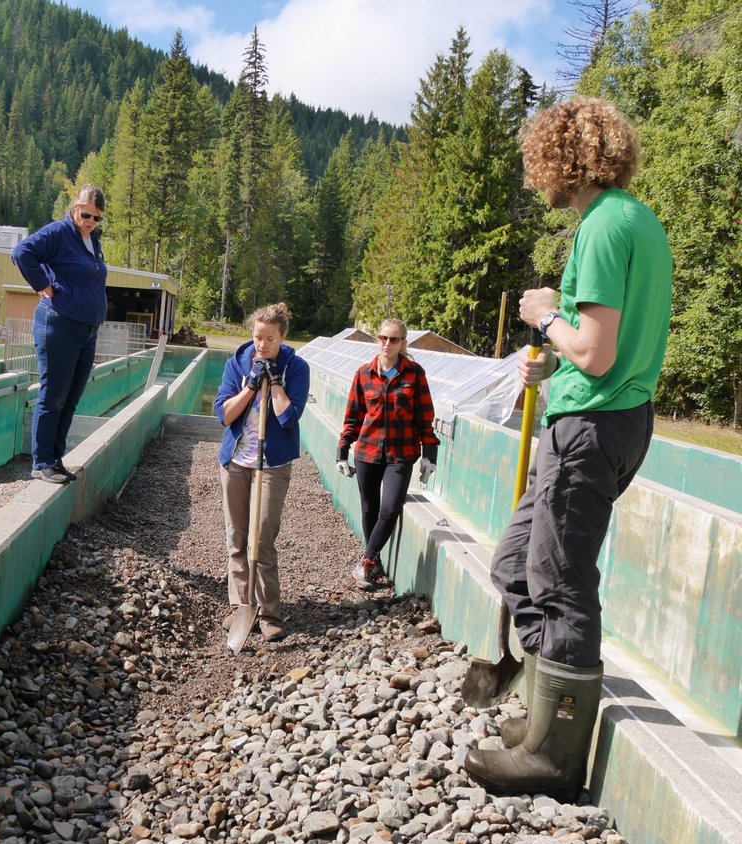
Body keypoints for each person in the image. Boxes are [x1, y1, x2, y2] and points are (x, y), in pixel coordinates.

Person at [463, 96, 673, 799]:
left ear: (564, 156)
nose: (533, 178)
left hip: (589, 429)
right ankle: (542, 710)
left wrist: (547, 316)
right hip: (603, 415)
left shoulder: (604, 226)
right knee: (517, 562)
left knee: (560, 581)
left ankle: (552, 756)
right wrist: (551, 360)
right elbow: (593, 352)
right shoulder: (634, 221)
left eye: (536, 162)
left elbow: (598, 349)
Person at [215, 303, 311, 642]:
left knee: (262, 539)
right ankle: (243, 606)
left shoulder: (296, 368)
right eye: (258, 337)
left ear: (283, 337)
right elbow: (224, 416)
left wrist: (276, 384)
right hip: (237, 462)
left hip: (271, 466)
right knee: (236, 539)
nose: (262, 345)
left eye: (270, 339)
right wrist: (251, 387)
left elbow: (287, 417)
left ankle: (269, 612)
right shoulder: (237, 364)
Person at [11, 184, 109, 484]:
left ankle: (55, 459)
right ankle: (42, 462)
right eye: (86, 214)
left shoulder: (91, 240)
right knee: (53, 395)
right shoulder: (58, 232)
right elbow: (21, 252)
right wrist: (43, 284)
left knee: (70, 399)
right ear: (75, 208)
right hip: (58, 325)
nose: (91, 221)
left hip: (86, 330)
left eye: (97, 218)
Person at [335, 318, 439, 590]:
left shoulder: (414, 374)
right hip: (367, 451)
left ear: (403, 343)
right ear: (377, 340)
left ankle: (365, 561)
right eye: (383, 338)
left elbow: (424, 417)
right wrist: (342, 451)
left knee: (390, 508)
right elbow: (354, 415)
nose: (387, 343)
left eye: (394, 339)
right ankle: (374, 564)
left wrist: (430, 453)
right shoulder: (364, 373)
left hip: (401, 453)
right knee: (369, 509)